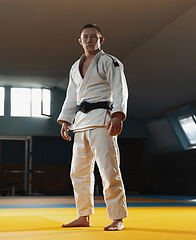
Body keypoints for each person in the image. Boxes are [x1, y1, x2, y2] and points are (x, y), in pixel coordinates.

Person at [57, 24, 128, 231]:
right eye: (85, 37)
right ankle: (83, 215)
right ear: (80, 41)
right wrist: (66, 121)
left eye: (93, 37)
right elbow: (72, 96)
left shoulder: (110, 62)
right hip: (80, 123)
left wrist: (117, 115)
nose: (89, 40)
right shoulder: (74, 67)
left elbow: (119, 89)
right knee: (78, 172)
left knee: (108, 169)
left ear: (101, 40)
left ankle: (117, 218)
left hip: (102, 121)